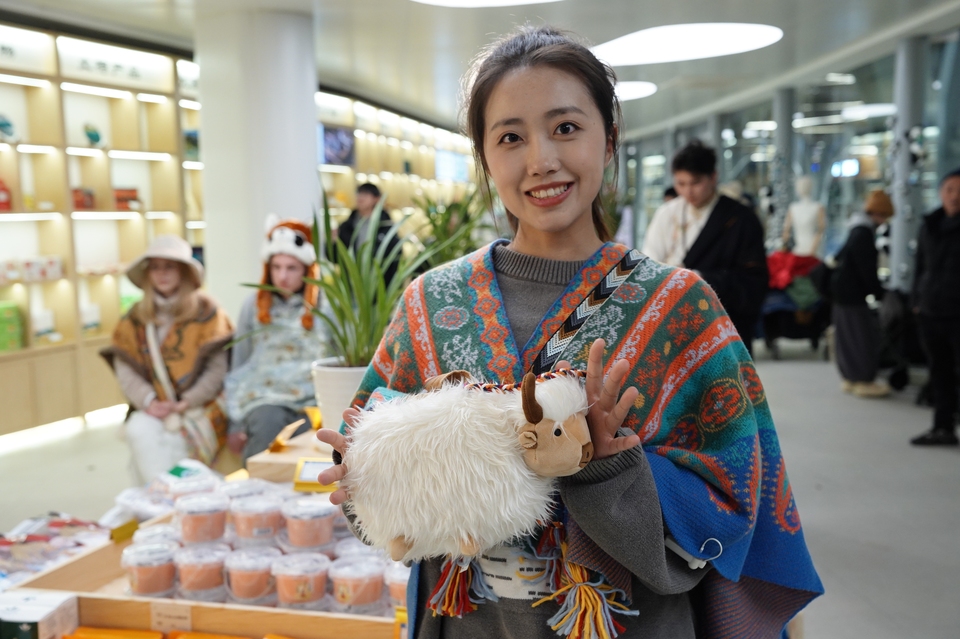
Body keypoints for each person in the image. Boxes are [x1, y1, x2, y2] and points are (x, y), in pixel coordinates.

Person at [318, 26, 821, 639]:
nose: (541, 161)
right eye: (510, 137)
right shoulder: (432, 301)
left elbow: (736, 491)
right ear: (484, 157)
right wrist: (364, 477)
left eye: (565, 128)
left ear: (608, 142)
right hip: (474, 622)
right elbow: (375, 468)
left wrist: (611, 468)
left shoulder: (680, 306)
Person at [101, 235, 233, 484]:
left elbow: (217, 369)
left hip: (201, 406)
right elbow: (126, 368)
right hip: (154, 406)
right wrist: (149, 401)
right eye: (156, 267)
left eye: (169, 266)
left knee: (181, 445)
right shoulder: (135, 317)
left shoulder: (209, 313)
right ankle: (162, 500)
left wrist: (187, 401)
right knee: (139, 430)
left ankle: (189, 502)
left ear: (183, 271)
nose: (162, 274)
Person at [224, 216, 332, 462]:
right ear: (267, 268)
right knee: (266, 426)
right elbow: (240, 362)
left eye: (291, 268)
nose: (283, 276)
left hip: (314, 396)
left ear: (306, 269)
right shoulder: (252, 305)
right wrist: (234, 424)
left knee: (313, 443)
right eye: (276, 267)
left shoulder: (327, 305)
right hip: (264, 396)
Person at [643, 141, 768, 353]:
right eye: (681, 184)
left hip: (722, 326)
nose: (688, 192)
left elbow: (753, 283)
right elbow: (649, 265)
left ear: (713, 177)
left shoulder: (740, 219)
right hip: (672, 323)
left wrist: (698, 278)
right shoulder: (667, 213)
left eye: (695, 183)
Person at [910, 168, 960, 446]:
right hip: (931, 310)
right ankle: (943, 427)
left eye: (959, 190)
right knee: (939, 372)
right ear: (941, 193)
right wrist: (916, 302)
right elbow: (920, 268)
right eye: (950, 190)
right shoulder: (930, 225)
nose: (954, 196)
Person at [831, 190, 894, 398]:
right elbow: (866, 269)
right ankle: (862, 378)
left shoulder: (855, 229)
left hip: (843, 294)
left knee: (847, 337)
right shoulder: (864, 234)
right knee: (860, 338)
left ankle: (851, 376)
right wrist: (878, 292)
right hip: (853, 295)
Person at [336, 182, 400, 285]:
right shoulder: (347, 226)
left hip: (379, 285)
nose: (361, 197)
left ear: (377, 199)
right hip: (353, 285)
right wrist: (333, 241)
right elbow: (335, 257)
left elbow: (395, 257)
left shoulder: (386, 225)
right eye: (359, 193)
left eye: (366, 194)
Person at [782, 176, 826, 257]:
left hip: (813, 249)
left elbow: (821, 231)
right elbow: (786, 232)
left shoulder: (817, 207)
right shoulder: (793, 208)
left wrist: (813, 249)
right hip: (801, 249)